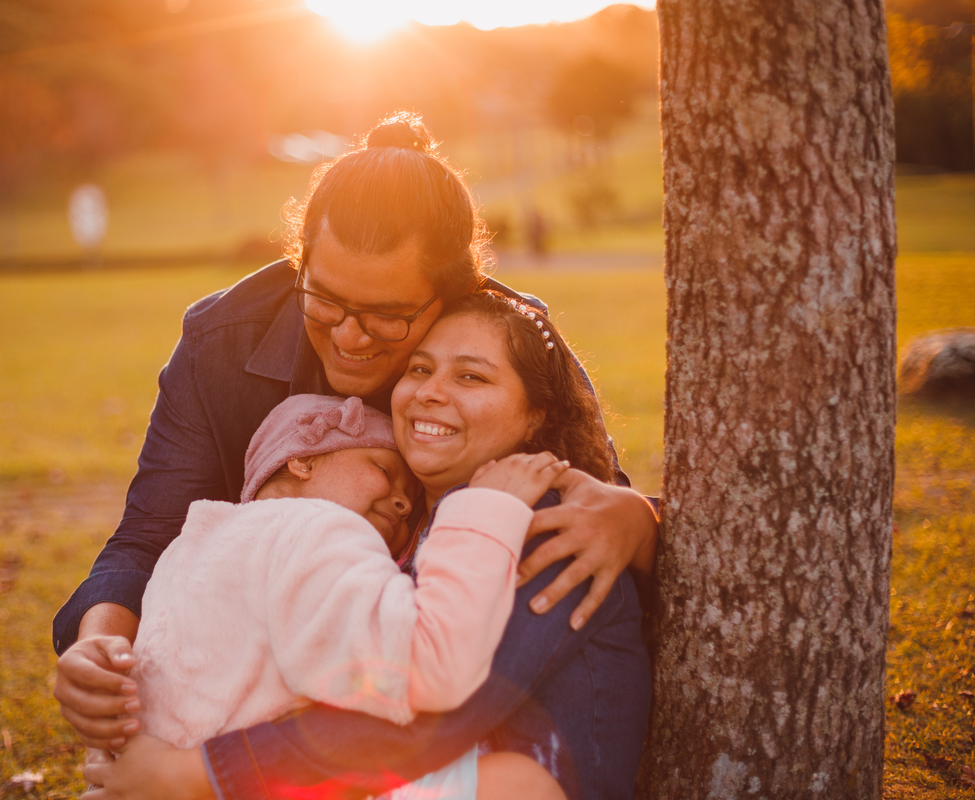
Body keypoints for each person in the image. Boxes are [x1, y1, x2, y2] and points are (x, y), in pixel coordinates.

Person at [55, 111, 659, 795]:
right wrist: (98, 646)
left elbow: (592, 508)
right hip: (308, 672)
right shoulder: (221, 342)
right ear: (300, 261)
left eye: (388, 315)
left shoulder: (509, 346)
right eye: (324, 298)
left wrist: (641, 520)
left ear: (453, 295)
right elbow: (147, 534)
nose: (348, 335)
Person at [83, 290, 651, 800]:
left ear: (535, 415)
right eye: (420, 369)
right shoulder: (428, 526)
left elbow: (430, 715)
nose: (431, 392)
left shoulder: (541, 522)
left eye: (471, 377)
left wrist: (203, 774)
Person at [107, 393, 572, 800]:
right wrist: (484, 512)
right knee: (521, 786)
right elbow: (426, 665)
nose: (403, 503)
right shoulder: (312, 530)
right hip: (232, 783)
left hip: (163, 778)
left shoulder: (191, 550)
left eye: (410, 502)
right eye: (384, 469)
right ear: (302, 460)